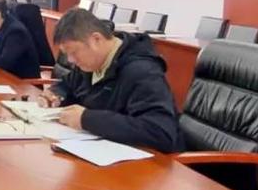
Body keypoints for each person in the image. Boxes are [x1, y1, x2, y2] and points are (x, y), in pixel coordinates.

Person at [39, 8, 182, 152]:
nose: (71, 60)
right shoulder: (91, 63)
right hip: (102, 149)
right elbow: (68, 84)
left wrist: (87, 119)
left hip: (147, 160)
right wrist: (55, 93)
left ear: (96, 39)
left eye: (74, 52)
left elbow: (160, 131)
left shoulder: (142, 71)